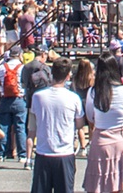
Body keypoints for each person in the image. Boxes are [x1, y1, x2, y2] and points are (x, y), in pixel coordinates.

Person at [83, 54, 123, 193]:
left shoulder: (93, 92)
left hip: (101, 139)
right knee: (119, 185)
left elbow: (90, 117)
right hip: (122, 139)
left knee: (98, 185)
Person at [31, 57, 86, 193]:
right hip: (64, 153)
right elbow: (80, 124)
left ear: (51, 73)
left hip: (43, 152)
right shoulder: (74, 98)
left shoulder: (38, 96)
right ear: (68, 76)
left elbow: (32, 124)